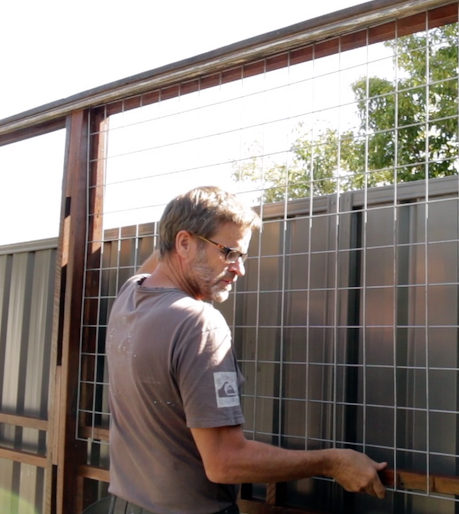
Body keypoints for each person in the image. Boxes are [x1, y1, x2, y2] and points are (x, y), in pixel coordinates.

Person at [105, 186, 386, 514]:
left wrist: (198, 217)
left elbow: (162, 256)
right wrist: (334, 463)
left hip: (124, 505)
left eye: (242, 256)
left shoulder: (131, 295)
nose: (240, 269)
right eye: (229, 253)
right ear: (184, 243)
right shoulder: (198, 323)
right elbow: (224, 462)